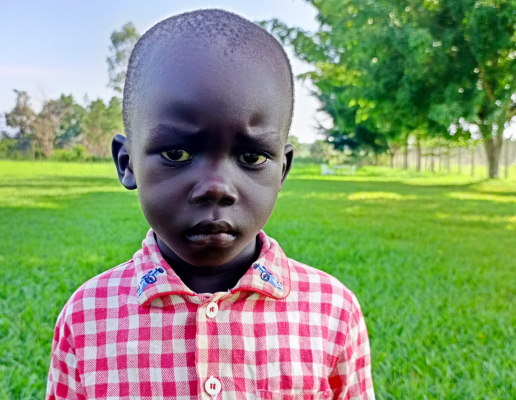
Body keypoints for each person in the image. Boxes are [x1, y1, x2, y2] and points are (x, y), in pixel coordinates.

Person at [46, 9, 374, 400]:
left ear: (282, 170)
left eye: (251, 157)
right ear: (127, 163)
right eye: (177, 153)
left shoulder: (332, 312)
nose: (216, 187)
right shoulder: (86, 317)